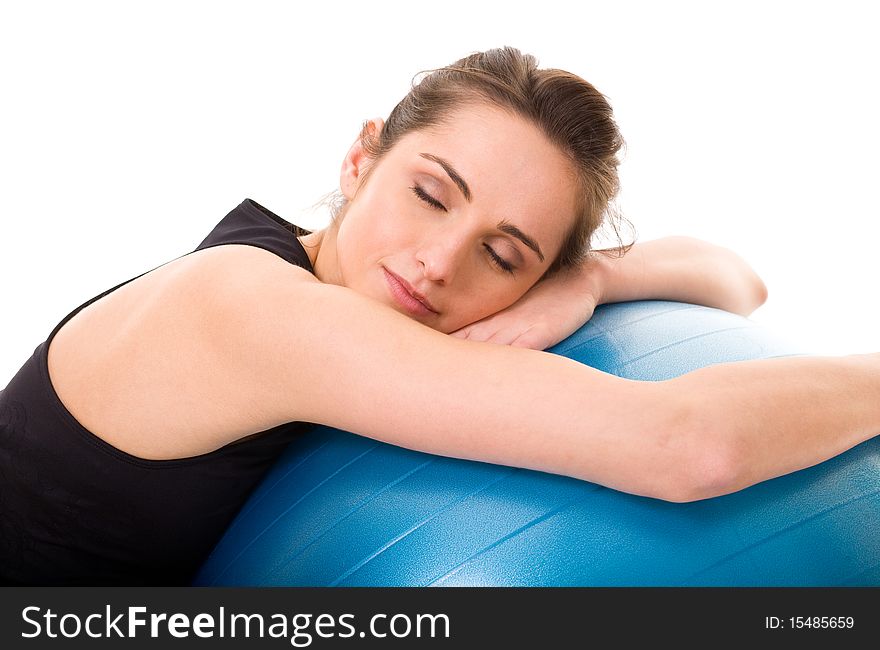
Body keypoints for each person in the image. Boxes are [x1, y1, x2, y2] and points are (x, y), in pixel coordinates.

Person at [1, 46, 877, 585]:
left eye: (505, 254)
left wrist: (592, 282)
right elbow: (691, 446)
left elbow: (737, 278)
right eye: (429, 194)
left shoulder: (322, 284)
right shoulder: (249, 309)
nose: (440, 260)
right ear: (360, 157)